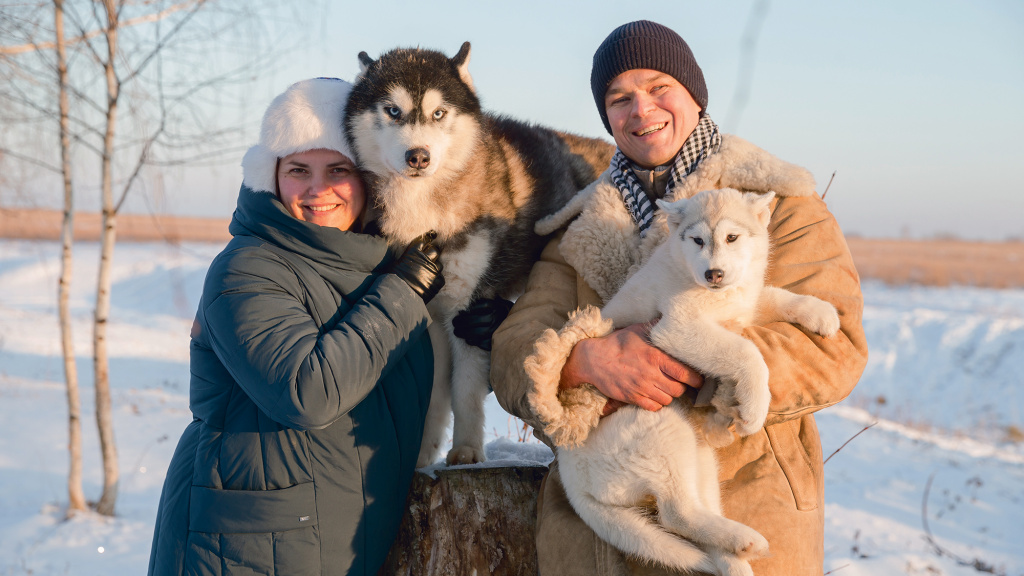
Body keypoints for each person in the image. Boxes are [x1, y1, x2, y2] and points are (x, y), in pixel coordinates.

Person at [488, 20, 869, 576]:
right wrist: (582, 363)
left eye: (659, 86)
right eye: (619, 98)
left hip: (746, 504)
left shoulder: (779, 202)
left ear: (694, 94)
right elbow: (514, 350)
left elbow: (835, 350)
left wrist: (683, 365)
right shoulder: (581, 226)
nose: (641, 109)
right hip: (596, 546)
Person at [148, 78, 445, 576]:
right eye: (299, 169)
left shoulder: (374, 267)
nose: (317, 189)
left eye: (338, 170)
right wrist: (405, 294)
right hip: (247, 550)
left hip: (332, 539)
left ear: (371, 177)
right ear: (273, 177)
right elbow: (307, 392)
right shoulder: (248, 268)